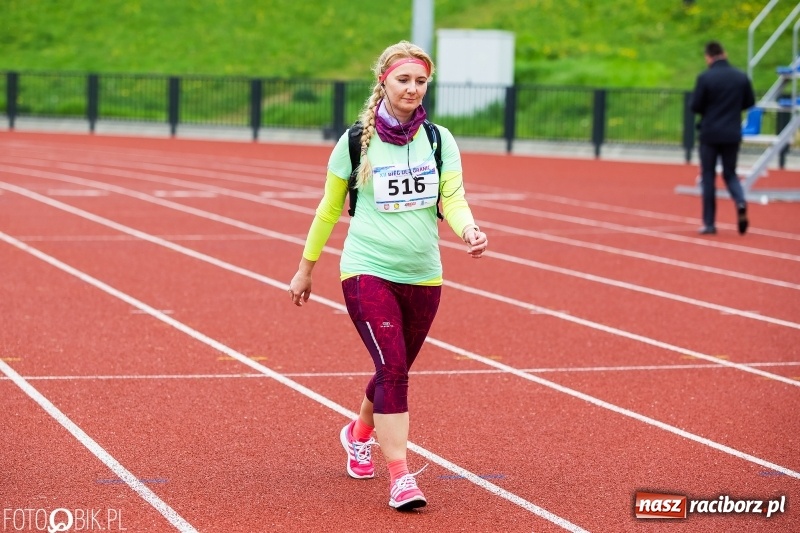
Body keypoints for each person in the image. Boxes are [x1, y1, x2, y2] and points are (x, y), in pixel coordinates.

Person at [287, 41, 488, 511]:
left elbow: (452, 200)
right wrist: (305, 269)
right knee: (394, 371)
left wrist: (469, 230)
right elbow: (329, 208)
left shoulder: (439, 140)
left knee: (392, 368)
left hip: (424, 275)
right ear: (384, 82)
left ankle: (358, 432)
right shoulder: (356, 140)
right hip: (367, 268)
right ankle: (401, 476)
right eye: (404, 80)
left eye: (421, 81)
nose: (413, 89)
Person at [690, 40, 756, 235]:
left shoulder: (705, 78)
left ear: (708, 57)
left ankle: (709, 223)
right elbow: (749, 102)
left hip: (710, 133)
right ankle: (741, 201)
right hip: (732, 132)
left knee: (708, 177)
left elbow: (695, 106)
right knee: (730, 174)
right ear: (724, 54)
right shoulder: (740, 76)